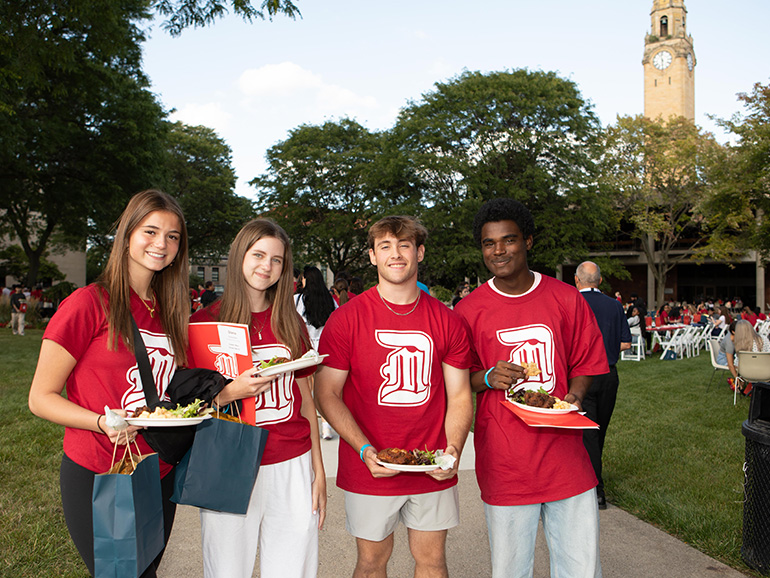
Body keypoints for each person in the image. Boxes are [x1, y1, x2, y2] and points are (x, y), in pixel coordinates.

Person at [27, 189, 191, 577]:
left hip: (157, 470)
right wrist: (103, 422)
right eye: (150, 231)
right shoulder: (89, 302)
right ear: (127, 234)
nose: (161, 244)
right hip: (99, 468)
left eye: (172, 236)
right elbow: (40, 397)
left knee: (147, 572)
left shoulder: (170, 309)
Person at [454, 198, 607, 578]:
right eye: (489, 243)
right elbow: (458, 380)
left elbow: (586, 361)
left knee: (580, 567)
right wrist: (487, 377)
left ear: (529, 242)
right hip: (506, 460)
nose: (499, 250)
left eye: (509, 240)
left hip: (564, 456)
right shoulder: (468, 310)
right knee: (509, 569)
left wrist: (575, 395)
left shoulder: (565, 297)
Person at [315, 215, 473, 578]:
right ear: (372, 256)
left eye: (404, 245)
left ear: (419, 252)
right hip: (370, 464)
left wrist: (452, 449)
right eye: (385, 246)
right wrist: (363, 449)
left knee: (432, 561)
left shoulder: (448, 321)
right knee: (371, 563)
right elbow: (327, 393)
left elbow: (460, 395)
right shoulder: (346, 320)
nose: (396, 254)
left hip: (431, 461)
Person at [192, 218, 326, 578]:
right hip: (228, 462)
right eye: (258, 255)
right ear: (239, 256)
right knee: (226, 570)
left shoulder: (290, 321)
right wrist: (230, 392)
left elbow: (306, 397)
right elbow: (191, 405)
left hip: (291, 459)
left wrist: (318, 470)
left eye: (277, 260)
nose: (266, 266)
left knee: (292, 569)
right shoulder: (204, 322)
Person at [574, 262, 631, 510]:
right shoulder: (614, 305)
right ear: (599, 281)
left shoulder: (571, 302)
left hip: (580, 376)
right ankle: (592, 485)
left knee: (588, 435)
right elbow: (626, 343)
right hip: (609, 375)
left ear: (577, 280)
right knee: (599, 432)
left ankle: (595, 489)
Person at [295, 265, 338, 439]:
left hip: (306, 349)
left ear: (306, 279)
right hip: (326, 348)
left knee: (307, 391)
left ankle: (309, 426)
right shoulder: (330, 300)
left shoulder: (297, 300)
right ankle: (326, 425)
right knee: (324, 391)